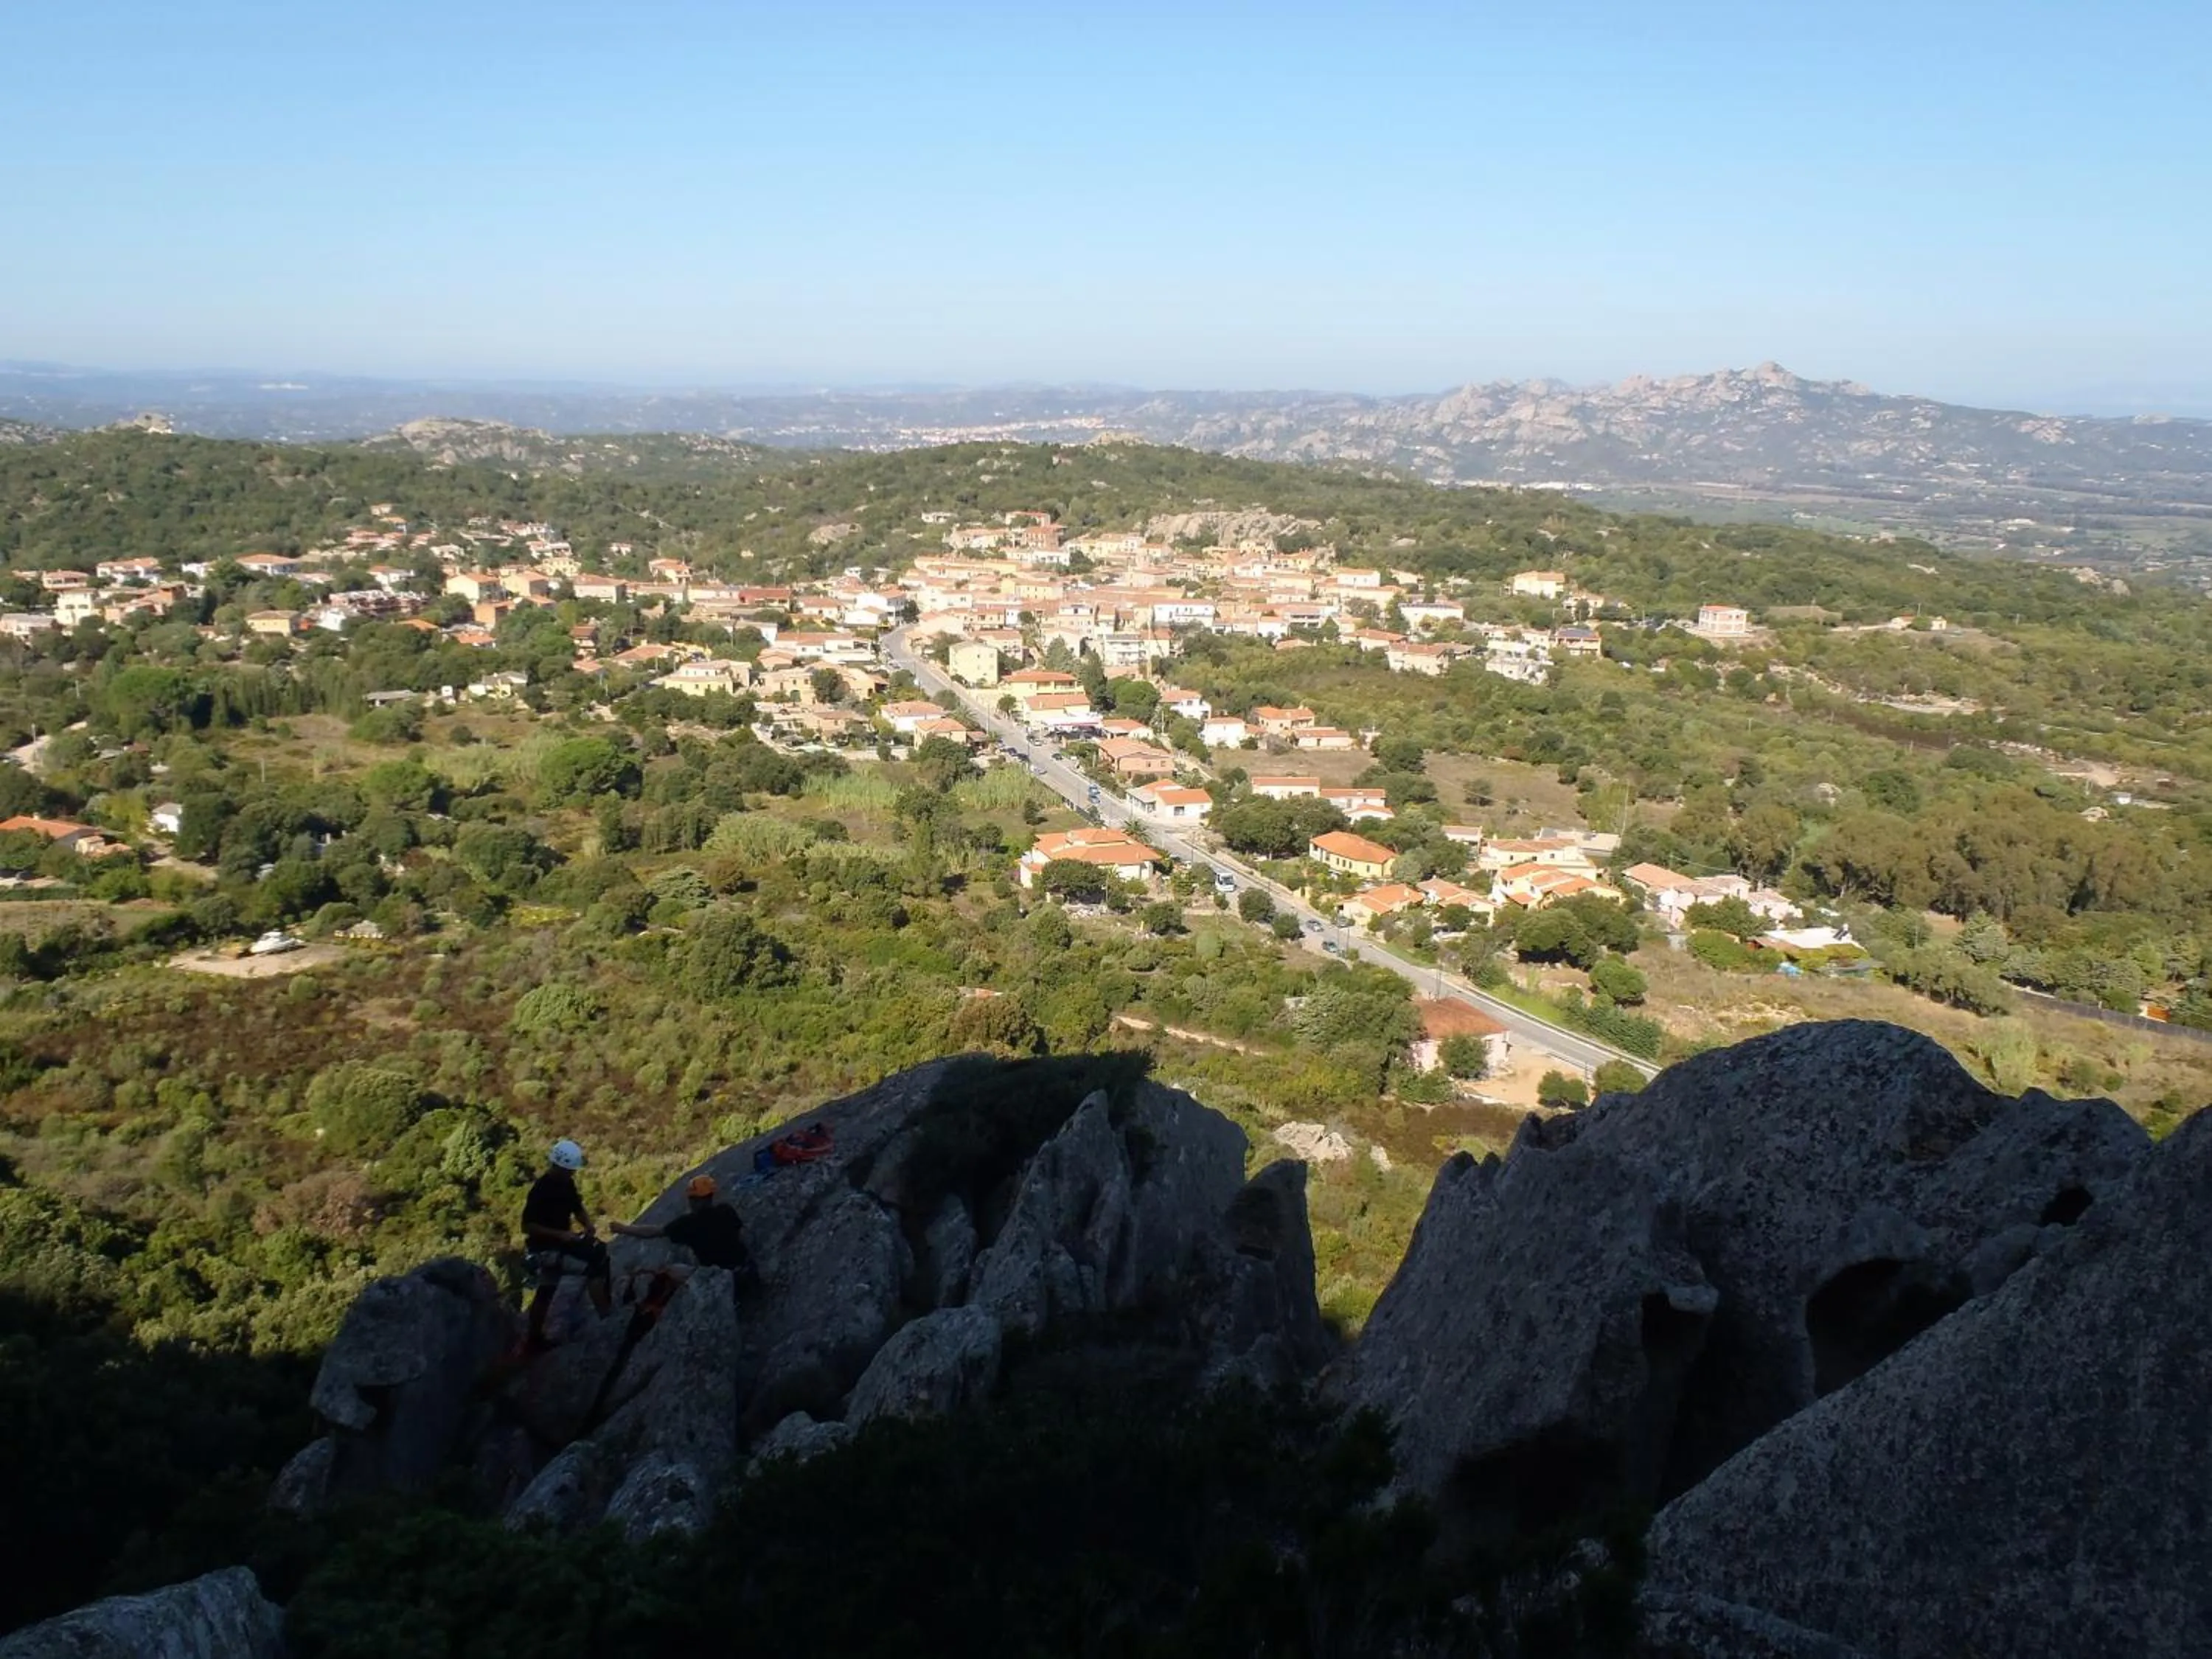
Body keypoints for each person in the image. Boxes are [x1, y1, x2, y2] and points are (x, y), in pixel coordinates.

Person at [522, 1138, 613, 1349]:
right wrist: (561, 1234)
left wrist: (588, 1224)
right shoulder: (541, 1189)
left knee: (547, 1289)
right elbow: (527, 1226)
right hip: (545, 1248)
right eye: (570, 1170)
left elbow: (577, 1207)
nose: (572, 1173)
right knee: (594, 1267)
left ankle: (533, 1339)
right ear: (559, 1167)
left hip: (558, 1244)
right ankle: (606, 1318)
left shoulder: (566, 1184)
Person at [611, 1174, 757, 1288]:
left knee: (673, 1271)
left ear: (694, 1200)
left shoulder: (687, 1223)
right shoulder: (726, 1209)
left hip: (722, 1280)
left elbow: (653, 1232)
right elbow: (741, 1234)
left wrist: (623, 1229)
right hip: (746, 1270)